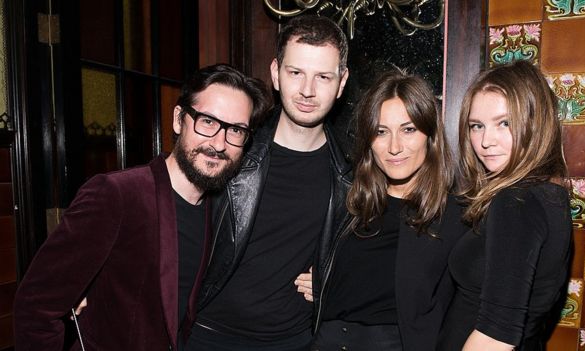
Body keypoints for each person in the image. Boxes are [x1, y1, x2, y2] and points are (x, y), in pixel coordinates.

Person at [13, 64, 271, 350]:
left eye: (235, 130)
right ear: (179, 119)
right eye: (208, 121)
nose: (219, 143)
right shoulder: (118, 195)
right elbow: (36, 307)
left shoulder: (218, 209)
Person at [183, 15, 351, 351]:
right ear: (275, 73)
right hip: (207, 336)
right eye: (295, 73)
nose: (307, 90)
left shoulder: (350, 173)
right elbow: (164, 210)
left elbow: (385, 256)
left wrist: (337, 281)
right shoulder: (232, 149)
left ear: (342, 81)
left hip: (294, 342)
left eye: (323, 76)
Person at [294, 70, 467, 350]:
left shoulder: (454, 217)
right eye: (381, 132)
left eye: (408, 129)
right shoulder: (349, 203)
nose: (395, 147)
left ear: (430, 135)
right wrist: (327, 281)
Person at [437, 60, 572, 350]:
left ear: (536, 123)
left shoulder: (516, 201)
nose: (486, 141)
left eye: (505, 123)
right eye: (477, 126)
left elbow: (496, 337)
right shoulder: (550, 195)